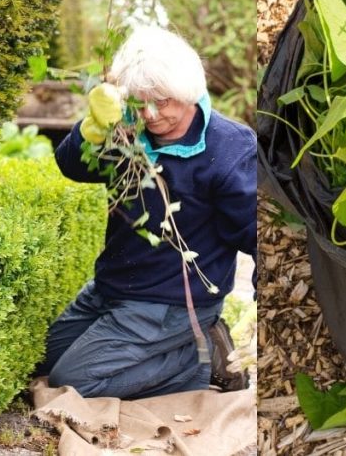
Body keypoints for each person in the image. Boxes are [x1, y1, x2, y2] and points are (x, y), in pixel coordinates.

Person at [38, 24, 257, 399]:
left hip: (171, 304)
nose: (151, 115)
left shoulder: (230, 149)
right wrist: (91, 129)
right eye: (139, 103)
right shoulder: (124, 132)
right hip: (110, 288)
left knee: (71, 385)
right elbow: (71, 166)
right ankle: (188, 349)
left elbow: (256, 235)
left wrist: (260, 313)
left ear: (188, 91)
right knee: (45, 360)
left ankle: (197, 362)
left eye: (163, 102)